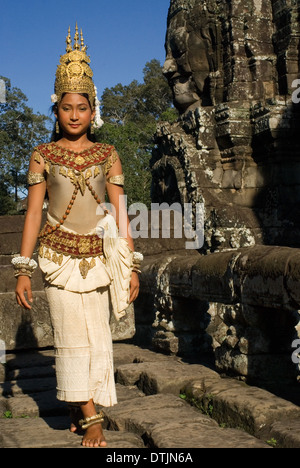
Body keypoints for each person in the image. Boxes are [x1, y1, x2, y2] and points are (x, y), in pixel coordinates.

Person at [12, 24, 142, 448]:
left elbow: (120, 211)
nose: (73, 114)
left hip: (101, 261)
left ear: (93, 110)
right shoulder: (42, 155)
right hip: (57, 256)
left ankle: (76, 404)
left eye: (81, 107)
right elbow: (33, 212)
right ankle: (92, 418)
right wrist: (23, 268)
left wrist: (132, 263)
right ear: (56, 111)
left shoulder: (108, 154)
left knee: (97, 337)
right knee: (70, 338)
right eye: (66, 107)